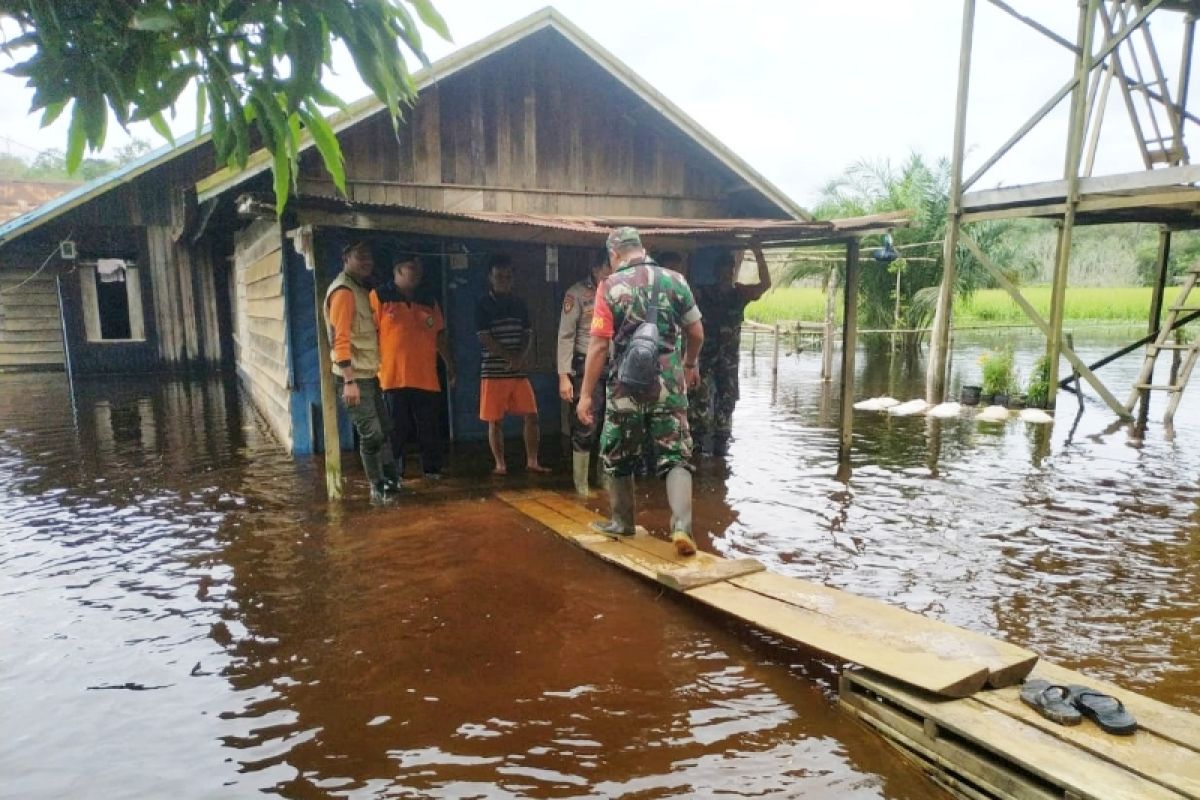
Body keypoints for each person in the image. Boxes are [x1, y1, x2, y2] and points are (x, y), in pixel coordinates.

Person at [577, 227, 705, 557]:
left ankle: (622, 521)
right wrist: (690, 364)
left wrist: (586, 395)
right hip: (669, 384)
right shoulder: (676, 280)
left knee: (618, 453)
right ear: (642, 248)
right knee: (676, 454)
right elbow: (697, 332)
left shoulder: (609, 287)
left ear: (613, 254)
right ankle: (682, 527)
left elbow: (598, 346)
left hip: (625, 386)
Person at [323, 240, 401, 505]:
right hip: (353, 377)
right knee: (372, 433)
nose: (367, 261)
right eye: (360, 256)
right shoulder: (344, 292)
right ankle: (376, 488)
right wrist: (349, 381)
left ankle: (392, 482)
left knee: (386, 429)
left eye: (370, 256)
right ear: (346, 257)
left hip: (369, 375)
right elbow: (340, 339)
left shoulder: (361, 289)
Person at [372, 256, 456, 480]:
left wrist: (449, 365)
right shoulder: (379, 296)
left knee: (429, 429)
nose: (418, 271)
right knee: (395, 430)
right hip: (392, 378)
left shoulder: (428, 299)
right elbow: (368, 335)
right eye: (412, 267)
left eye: (420, 267)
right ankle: (392, 475)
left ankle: (432, 471)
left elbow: (440, 336)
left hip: (426, 377)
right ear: (397, 269)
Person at [688, 242, 771, 457]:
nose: (727, 273)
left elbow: (765, 284)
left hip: (728, 359)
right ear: (716, 271)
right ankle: (697, 447)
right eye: (723, 268)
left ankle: (720, 453)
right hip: (705, 357)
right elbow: (686, 287)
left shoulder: (739, 294)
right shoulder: (704, 293)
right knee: (699, 401)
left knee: (727, 400)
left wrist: (758, 252)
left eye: (730, 269)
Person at [476, 254, 550, 475]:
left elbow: (528, 334)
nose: (503, 280)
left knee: (532, 415)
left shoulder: (520, 303)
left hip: (519, 372)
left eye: (508, 276)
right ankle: (500, 464)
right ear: (490, 277)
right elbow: (484, 337)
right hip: (493, 371)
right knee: (494, 421)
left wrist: (520, 357)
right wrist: (510, 357)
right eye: (499, 276)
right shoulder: (483, 305)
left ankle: (532, 461)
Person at [557, 249, 612, 496]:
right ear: (597, 268)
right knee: (585, 423)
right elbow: (565, 336)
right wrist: (563, 376)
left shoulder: (618, 293)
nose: (613, 273)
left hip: (613, 365)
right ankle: (581, 484)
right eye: (609, 268)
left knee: (610, 423)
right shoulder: (577, 294)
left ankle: (603, 478)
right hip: (584, 365)